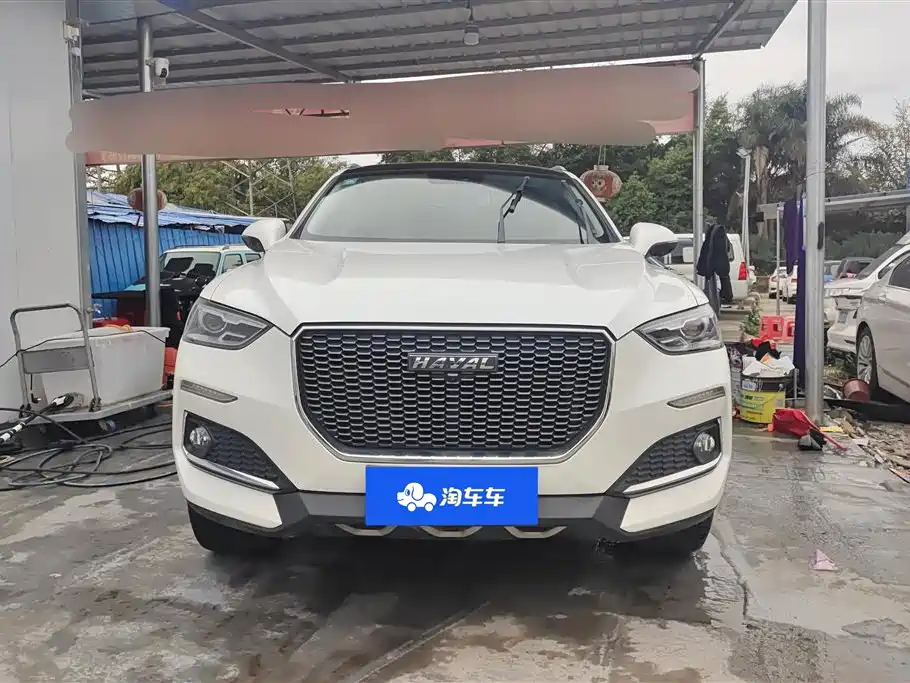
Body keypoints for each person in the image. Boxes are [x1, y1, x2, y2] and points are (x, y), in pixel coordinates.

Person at [695, 222, 733, 313]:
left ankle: (718, 305)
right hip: (718, 270)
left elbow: (708, 253)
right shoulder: (718, 237)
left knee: (714, 290)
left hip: (714, 270)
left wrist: (707, 269)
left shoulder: (713, 237)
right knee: (717, 289)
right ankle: (720, 302)